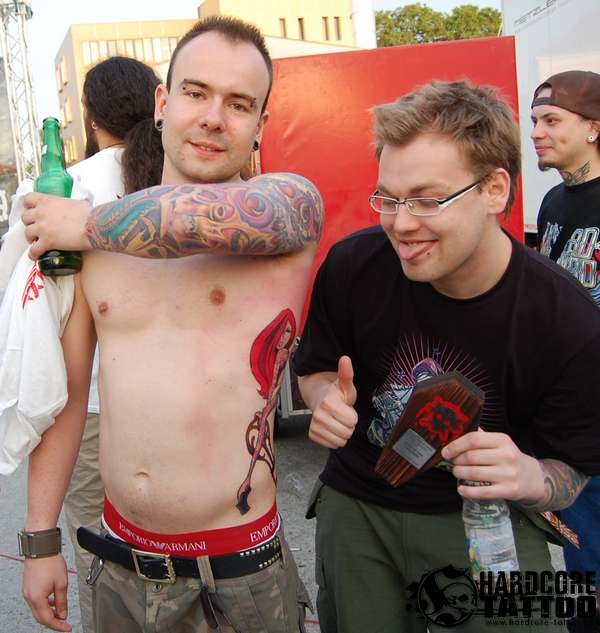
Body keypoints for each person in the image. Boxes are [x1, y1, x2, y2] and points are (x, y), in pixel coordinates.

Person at [19, 16, 323, 633]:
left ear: (261, 126)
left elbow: (203, 219)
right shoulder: (97, 248)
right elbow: (70, 399)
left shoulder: (289, 214)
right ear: (162, 104)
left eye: (239, 104)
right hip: (120, 568)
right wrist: (40, 537)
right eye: (195, 92)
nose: (213, 117)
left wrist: (83, 223)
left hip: (239, 575)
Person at [293, 80, 600, 633]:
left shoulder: (566, 319)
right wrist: (322, 401)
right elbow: (315, 368)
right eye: (389, 199)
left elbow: (574, 467)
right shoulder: (353, 267)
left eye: (428, 200)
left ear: (494, 190)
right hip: (360, 507)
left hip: (492, 522)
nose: (401, 223)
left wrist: (532, 476)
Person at [64, 56, 163, 633]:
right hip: (170, 396)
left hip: (93, 402)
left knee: (96, 549)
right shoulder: (183, 176)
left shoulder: (67, 186)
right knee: (175, 543)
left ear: (92, 115)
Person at [532, 69, 600, 633]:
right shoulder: (553, 203)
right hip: (572, 418)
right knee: (582, 560)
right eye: (535, 120)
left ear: (594, 128)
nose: (537, 132)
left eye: (552, 120)